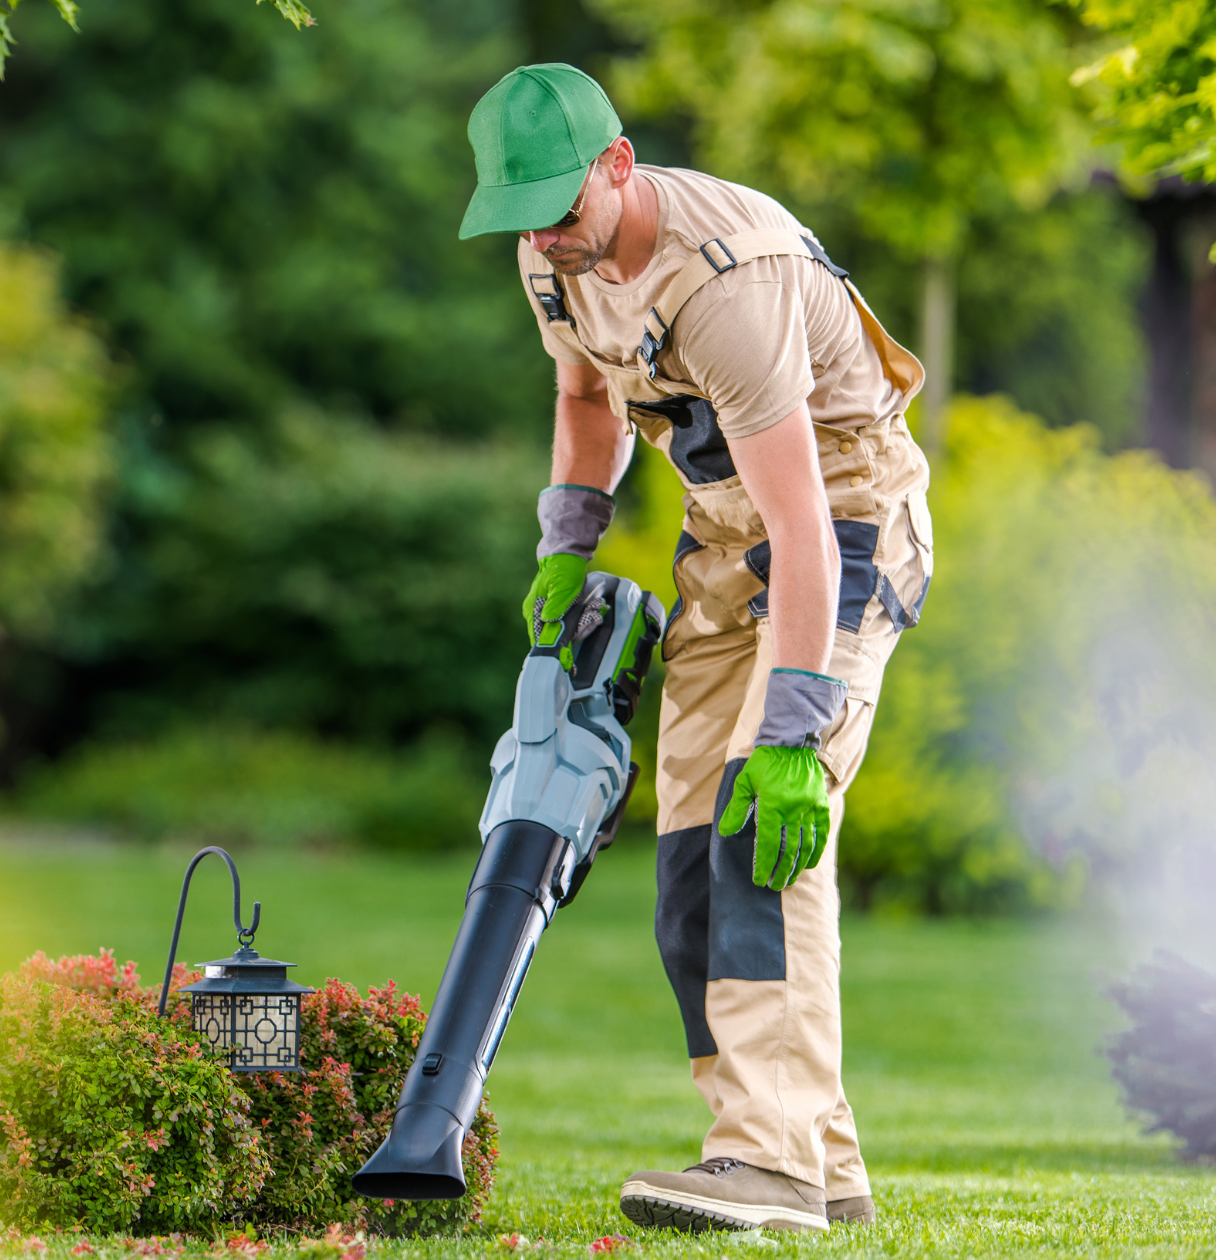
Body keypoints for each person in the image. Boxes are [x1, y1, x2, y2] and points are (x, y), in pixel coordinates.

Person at [456, 64, 936, 1234]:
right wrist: (566, 542)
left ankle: (763, 1161)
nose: (547, 240)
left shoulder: (729, 278)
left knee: (757, 830)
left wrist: (791, 729)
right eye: (523, 218)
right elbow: (584, 399)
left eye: (563, 210)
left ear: (617, 163)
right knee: (685, 873)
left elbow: (806, 525)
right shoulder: (549, 251)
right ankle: (819, 1162)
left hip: (839, 523)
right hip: (719, 539)